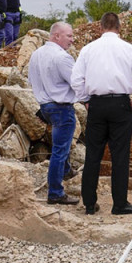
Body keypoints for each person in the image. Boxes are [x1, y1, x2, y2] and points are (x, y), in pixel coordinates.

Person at [71, 12, 132, 215]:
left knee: (93, 155)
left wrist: (86, 100)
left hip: (96, 105)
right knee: (120, 156)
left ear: (100, 27)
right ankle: (119, 204)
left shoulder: (88, 50)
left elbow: (76, 80)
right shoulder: (129, 49)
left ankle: (89, 203)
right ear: (119, 27)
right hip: (121, 105)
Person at [28, 22, 79, 205]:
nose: (72, 40)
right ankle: (55, 192)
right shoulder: (62, 57)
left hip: (45, 107)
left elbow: (30, 80)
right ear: (56, 36)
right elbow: (77, 83)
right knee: (59, 150)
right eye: (69, 36)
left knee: (59, 146)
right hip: (61, 108)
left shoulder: (36, 54)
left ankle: (66, 171)